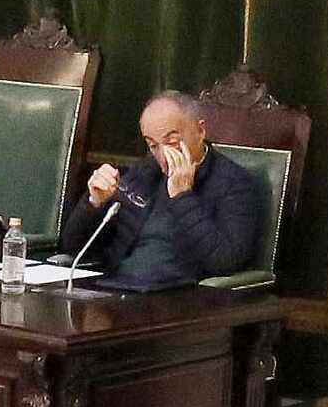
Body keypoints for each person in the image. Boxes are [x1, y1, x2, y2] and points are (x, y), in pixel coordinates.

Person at [61, 90, 258, 284]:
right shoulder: (144, 173)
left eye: (172, 142)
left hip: (179, 294)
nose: (163, 156)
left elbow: (225, 261)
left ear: (200, 131)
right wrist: (93, 204)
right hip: (117, 285)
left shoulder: (234, 183)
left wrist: (183, 196)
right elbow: (75, 248)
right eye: (153, 146)